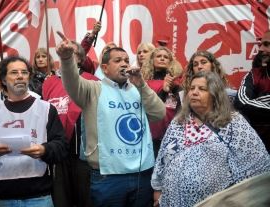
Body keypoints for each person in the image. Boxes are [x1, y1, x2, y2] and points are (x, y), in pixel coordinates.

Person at [56, 32, 165, 206]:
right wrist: (67, 59)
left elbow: (159, 113)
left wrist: (142, 85)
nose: (124, 64)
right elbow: (71, 81)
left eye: (126, 60)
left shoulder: (138, 88)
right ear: (104, 68)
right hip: (108, 177)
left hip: (141, 174)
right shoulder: (93, 89)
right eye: (117, 61)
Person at [151, 71, 270, 207]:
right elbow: (162, 157)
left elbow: (257, 168)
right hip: (171, 202)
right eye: (192, 88)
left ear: (215, 95)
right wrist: (157, 190)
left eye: (202, 89)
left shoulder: (233, 122)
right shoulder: (179, 122)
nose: (194, 92)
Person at [0, 56, 69, 206]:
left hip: (39, 196)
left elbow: (62, 146)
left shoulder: (46, 109)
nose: (20, 76)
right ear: (3, 80)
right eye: (14, 72)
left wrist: (44, 150)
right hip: (3, 197)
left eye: (24, 72)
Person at [42, 41, 98, 207]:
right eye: (63, 52)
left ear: (80, 58)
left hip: (83, 152)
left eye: (71, 52)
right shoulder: (49, 82)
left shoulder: (92, 80)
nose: (66, 53)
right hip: (57, 149)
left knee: (84, 198)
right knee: (61, 199)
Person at [141, 47, 183, 157]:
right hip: (149, 133)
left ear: (171, 62)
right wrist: (163, 92)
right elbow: (147, 105)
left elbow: (180, 107)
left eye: (166, 57)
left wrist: (173, 89)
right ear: (152, 60)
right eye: (158, 56)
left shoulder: (177, 83)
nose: (162, 59)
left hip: (171, 133)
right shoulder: (143, 83)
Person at [235, 30, 270, 153]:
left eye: (266, 44)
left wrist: (258, 100)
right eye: (260, 44)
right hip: (258, 145)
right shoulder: (254, 74)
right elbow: (241, 102)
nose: (260, 49)